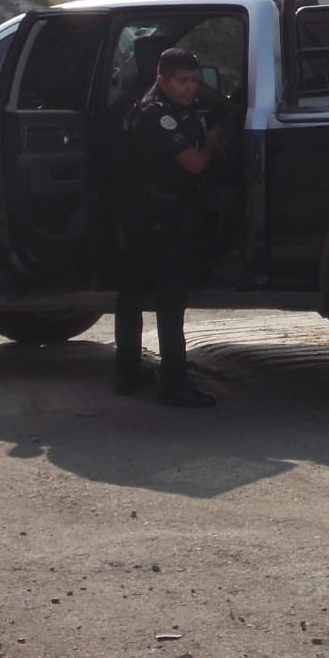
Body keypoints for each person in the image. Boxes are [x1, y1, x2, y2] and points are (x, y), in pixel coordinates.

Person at [114, 46, 227, 407]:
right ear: (161, 80)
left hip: (145, 213)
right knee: (168, 297)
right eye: (183, 81)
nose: (190, 88)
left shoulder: (171, 103)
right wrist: (212, 147)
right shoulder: (157, 114)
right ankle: (174, 382)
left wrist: (214, 95)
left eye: (195, 81)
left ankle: (128, 370)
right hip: (157, 217)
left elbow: (204, 102)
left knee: (133, 294)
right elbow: (194, 164)